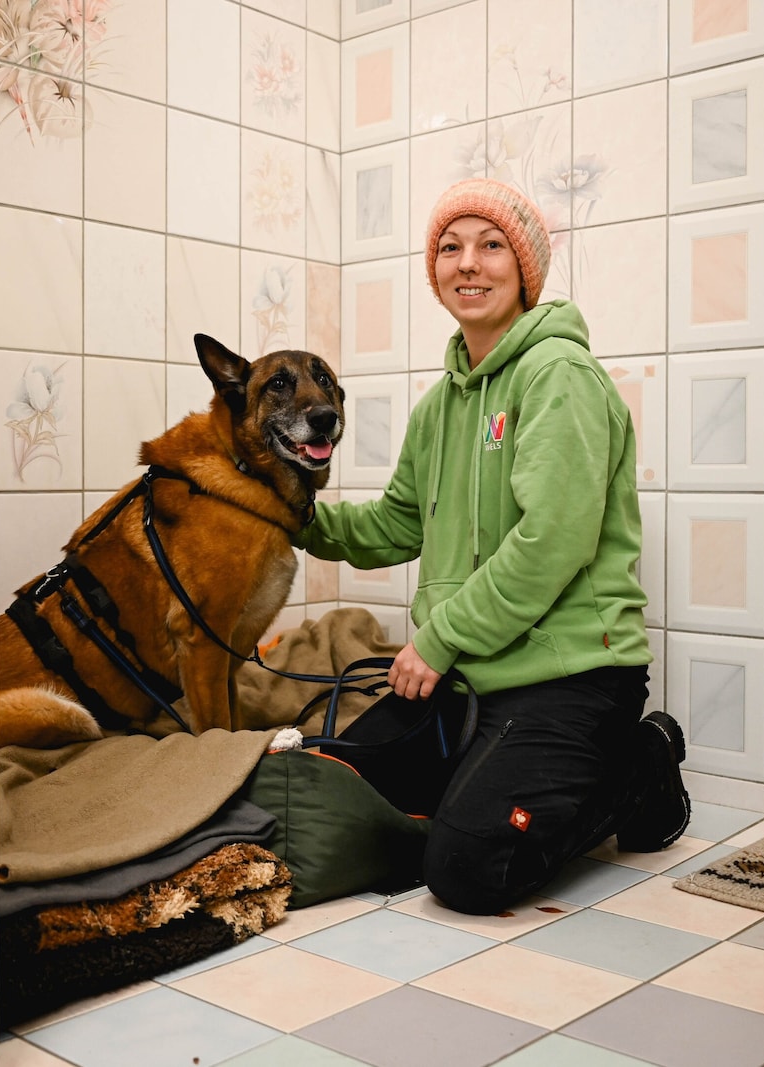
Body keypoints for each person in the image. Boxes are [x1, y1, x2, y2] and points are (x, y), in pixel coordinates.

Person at [295, 177, 690, 915]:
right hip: (476, 676)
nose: (467, 263)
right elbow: (395, 524)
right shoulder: (440, 404)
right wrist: (291, 515)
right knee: (336, 784)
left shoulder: (559, 376)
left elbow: (551, 542)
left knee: (465, 866)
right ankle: (488, 771)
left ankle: (643, 764)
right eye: (450, 247)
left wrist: (439, 638)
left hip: (572, 677)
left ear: (525, 269)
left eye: (491, 245)